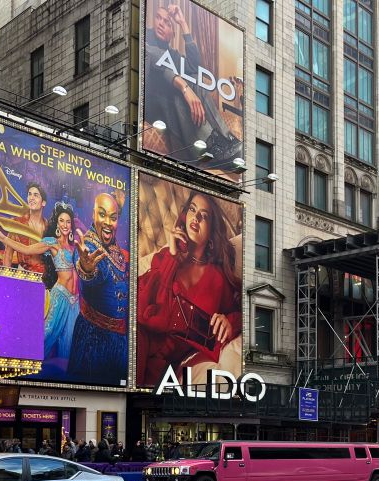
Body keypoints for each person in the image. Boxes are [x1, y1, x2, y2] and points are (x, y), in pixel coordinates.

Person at [137, 190, 242, 385]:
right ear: (185, 216)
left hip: (172, 364)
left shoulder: (218, 278)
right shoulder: (166, 257)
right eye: (192, 210)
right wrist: (172, 257)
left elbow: (242, 312)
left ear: (211, 230)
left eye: (205, 215)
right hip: (142, 341)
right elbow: (142, 308)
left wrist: (230, 322)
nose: (196, 217)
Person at [144, 3, 243, 169]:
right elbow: (155, 57)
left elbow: (195, 66)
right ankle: (207, 145)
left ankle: (226, 139)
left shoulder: (173, 54)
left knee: (196, 78)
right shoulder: (146, 37)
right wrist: (184, 87)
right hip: (152, 105)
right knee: (178, 91)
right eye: (158, 18)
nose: (161, 23)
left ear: (172, 33)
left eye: (167, 22)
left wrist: (183, 22)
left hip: (169, 106)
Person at [0, 202, 81, 371]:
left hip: (75, 303)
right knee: (45, 336)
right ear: (57, 223)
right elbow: (27, 249)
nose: (65, 225)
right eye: (62, 221)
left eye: (68, 221)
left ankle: (60, 376)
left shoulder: (75, 246)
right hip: (60, 296)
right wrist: (3, 237)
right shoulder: (52, 243)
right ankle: (18, 362)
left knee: (68, 346)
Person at [65, 192, 129, 384]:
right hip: (93, 341)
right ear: (93, 215)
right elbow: (91, 274)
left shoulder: (116, 248)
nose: (108, 222)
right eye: (102, 215)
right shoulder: (88, 247)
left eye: (113, 217)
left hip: (118, 343)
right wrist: (87, 268)